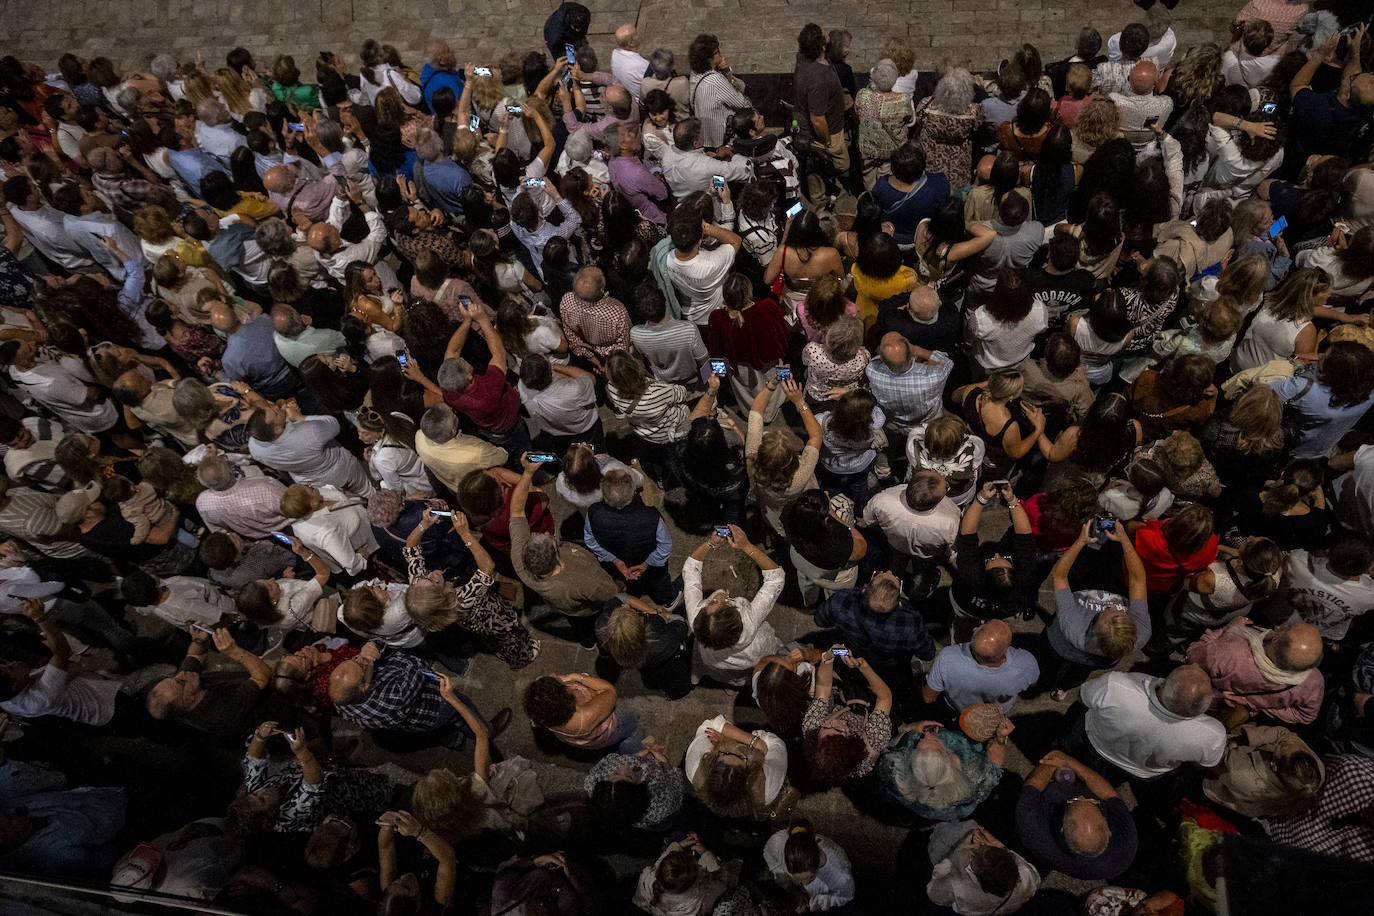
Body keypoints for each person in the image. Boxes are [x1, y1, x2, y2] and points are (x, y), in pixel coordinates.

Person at [1042, 520, 1151, 696]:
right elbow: (1138, 579)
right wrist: (1124, 540)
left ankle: (1047, 680)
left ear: (1092, 629)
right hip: (1094, 661)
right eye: (1121, 613)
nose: (1113, 606)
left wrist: (1080, 542)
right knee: (1081, 672)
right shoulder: (1142, 632)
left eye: (1107, 613)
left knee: (1049, 662)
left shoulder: (1073, 626)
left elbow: (1060, 576)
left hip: (1060, 646)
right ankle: (1063, 687)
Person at [1079, 664, 1227, 779]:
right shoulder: (1213, 735)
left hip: (1093, 741)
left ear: (1164, 684)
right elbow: (1202, 765)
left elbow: (1083, 697)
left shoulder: (1117, 686)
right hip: (1141, 772)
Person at [683, 523, 785, 687]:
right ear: (736, 617)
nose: (720, 597)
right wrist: (746, 546)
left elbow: (690, 572)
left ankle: (730, 682)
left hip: (713, 659)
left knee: (724, 672)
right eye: (724, 603)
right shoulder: (749, 621)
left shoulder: (698, 619)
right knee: (754, 668)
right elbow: (776, 578)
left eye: (713, 601)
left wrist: (711, 543)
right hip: (753, 653)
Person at [1016, 750, 1137, 880]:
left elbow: (1032, 787)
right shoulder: (1126, 842)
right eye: (1092, 802)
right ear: (1108, 831)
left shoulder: (1033, 830)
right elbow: (1110, 796)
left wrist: (1051, 763)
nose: (1081, 796)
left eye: (1072, 801)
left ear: (1061, 828)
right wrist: (1068, 761)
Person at [1186, 618, 1325, 726]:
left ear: (1275, 638)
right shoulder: (1314, 681)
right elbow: (1305, 716)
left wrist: (1228, 629)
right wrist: (1256, 704)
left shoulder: (1230, 652)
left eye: (1285, 628)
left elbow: (1193, 653)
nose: (1278, 626)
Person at [877, 718, 1012, 821]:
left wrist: (910, 728)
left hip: (925, 809)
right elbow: (994, 767)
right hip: (949, 812)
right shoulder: (972, 779)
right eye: (935, 744)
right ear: (949, 760)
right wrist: (1001, 738)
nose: (927, 735)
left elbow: (890, 747)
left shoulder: (897, 774)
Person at [1202, 723, 1324, 818]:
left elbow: (1214, 755)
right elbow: (1284, 734)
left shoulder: (1243, 775)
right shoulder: (1315, 770)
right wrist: (1243, 740)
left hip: (1219, 777)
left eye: (1282, 746)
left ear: (1274, 765)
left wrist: (1231, 742)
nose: (1286, 741)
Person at [925, 821, 1041, 915]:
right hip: (1007, 904)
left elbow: (933, 894)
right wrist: (999, 845)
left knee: (944, 838)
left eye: (978, 850)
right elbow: (1035, 879)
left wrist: (958, 850)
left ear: (977, 875)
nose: (982, 845)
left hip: (974, 908)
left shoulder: (958, 885)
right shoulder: (1025, 872)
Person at [924, 619, 1040, 714]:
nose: (977, 626)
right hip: (994, 714)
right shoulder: (1026, 663)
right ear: (1006, 649)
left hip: (958, 710)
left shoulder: (948, 657)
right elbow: (1032, 684)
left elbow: (928, 697)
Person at [523, 672, 642, 754]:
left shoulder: (544, 714)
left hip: (584, 738)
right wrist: (577, 677)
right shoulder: (585, 717)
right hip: (612, 727)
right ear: (568, 701)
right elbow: (609, 691)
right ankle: (633, 752)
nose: (556, 677)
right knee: (633, 724)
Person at [762, 820, 856, 911]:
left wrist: (814, 902)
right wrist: (793, 889)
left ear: (817, 865)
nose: (804, 884)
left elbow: (845, 897)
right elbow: (771, 857)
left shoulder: (841, 877)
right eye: (798, 879)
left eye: (811, 878)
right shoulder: (777, 842)